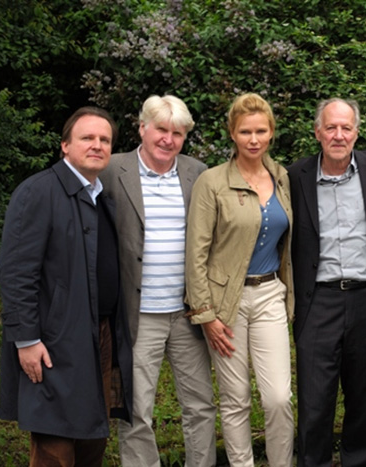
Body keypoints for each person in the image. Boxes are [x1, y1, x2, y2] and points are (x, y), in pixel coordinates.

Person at [0, 107, 133, 466]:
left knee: (92, 436)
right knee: (55, 444)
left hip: (99, 334)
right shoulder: (39, 192)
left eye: (105, 140)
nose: (97, 145)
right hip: (53, 339)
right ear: (65, 146)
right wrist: (25, 340)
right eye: (87, 138)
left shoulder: (101, 198)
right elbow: (16, 274)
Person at [102, 95, 217, 467]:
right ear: (142, 128)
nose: (169, 139)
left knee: (200, 404)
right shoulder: (111, 170)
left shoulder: (197, 173)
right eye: (162, 130)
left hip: (188, 314)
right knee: (136, 410)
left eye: (178, 133)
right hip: (138, 314)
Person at [185, 93, 294, 467]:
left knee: (278, 397)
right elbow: (195, 253)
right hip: (225, 304)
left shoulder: (282, 177)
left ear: (271, 133)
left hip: (268, 296)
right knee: (235, 399)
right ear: (232, 133)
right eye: (245, 131)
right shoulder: (211, 182)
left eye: (260, 131)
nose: (253, 139)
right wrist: (206, 313)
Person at [288, 98, 366, 467]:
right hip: (318, 300)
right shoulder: (295, 175)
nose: (338, 135)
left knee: (362, 398)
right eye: (330, 127)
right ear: (317, 132)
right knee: (315, 402)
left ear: (356, 132)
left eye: (345, 128)